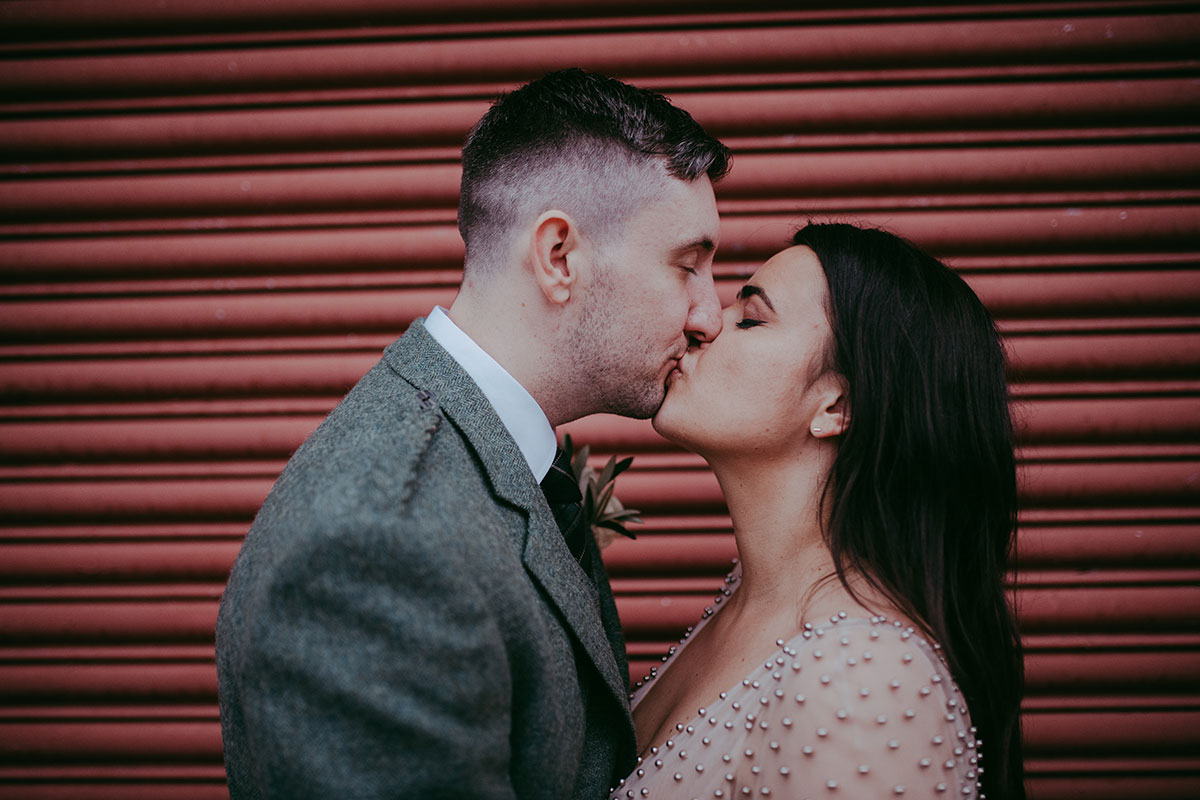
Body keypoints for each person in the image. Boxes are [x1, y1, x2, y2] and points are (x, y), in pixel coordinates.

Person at [215, 68, 730, 800]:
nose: (709, 316)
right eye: (687, 265)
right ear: (559, 258)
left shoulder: (496, 454)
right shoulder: (380, 551)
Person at [614, 223, 1024, 799]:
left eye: (750, 318)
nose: (702, 323)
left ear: (836, 405)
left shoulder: (865, 679)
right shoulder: (750, 598)